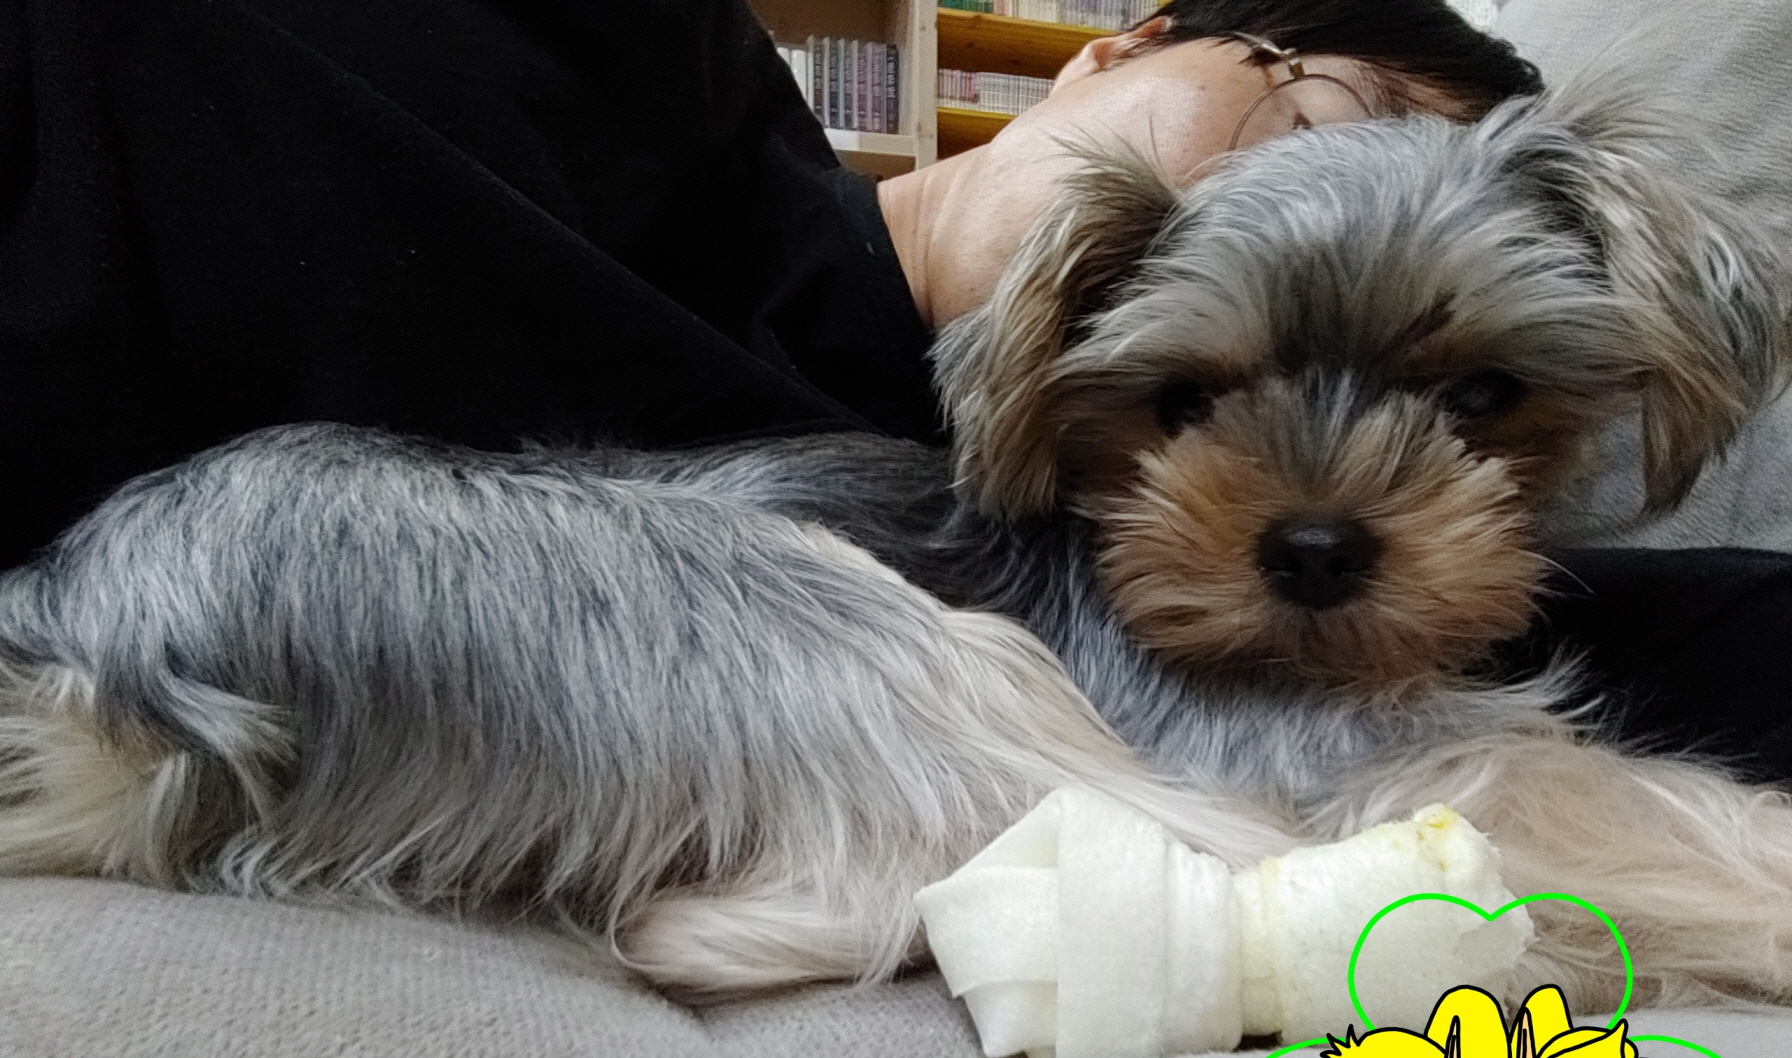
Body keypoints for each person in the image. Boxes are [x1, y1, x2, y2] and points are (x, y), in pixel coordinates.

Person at [0, 0, 1785, 780]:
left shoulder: (1052, 525)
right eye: (1329, 122)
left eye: (1464, 385)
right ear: (1114, 53)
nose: (1326, 218)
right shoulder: (663, 73)